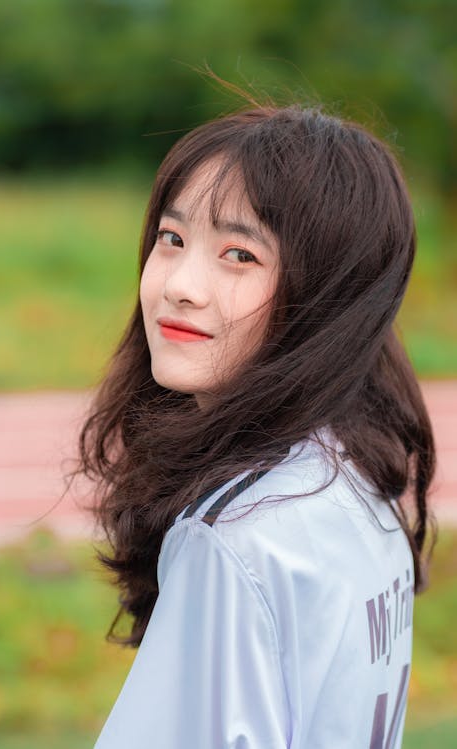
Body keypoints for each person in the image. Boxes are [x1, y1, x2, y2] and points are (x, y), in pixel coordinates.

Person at [78, 100, 437, 748]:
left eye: (240, 254)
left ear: (329, 293)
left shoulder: (237, 535)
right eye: (173, 238)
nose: (182, 284)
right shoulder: (351, 473)